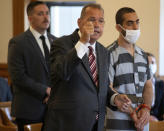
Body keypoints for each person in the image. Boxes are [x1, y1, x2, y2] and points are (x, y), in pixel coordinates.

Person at [43, 3, 131, 131]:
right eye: (91, 20)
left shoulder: (103, 51)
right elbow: (62, 72)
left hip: (96, 125)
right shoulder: (61, 44)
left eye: (101, 21)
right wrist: (83, 42)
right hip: (67, 124)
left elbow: (101, 87)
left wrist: (114, 98)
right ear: (79, 22)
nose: (96, 25)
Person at [8, 1, 56, 131]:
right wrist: (45, 90)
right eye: (40, 14)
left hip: (53, 109)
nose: (46, 17)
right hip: (29, 109)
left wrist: (54, 92)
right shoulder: (18, 42)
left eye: (47, 13)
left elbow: (59, 72)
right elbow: (18, 76)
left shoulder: (56, 41)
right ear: (30, 18)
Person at [106, 7, 153, 131]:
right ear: (118, 27)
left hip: (142, 122)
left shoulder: (142, 54)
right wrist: (132, 113)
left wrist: (146, 109)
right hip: (118, 122)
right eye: (130, 23)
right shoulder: (109, 54)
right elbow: (108, 88)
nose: (136, 27)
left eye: (137, 22)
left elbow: (148, 86)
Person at [146, 52, 164, 122]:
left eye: (153, 63)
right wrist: (148, 117)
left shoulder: (160, 83)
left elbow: (163, 102)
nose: (151, 65)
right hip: (143, 118)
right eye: (148, 63)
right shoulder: (138, 84)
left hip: (157, 118)